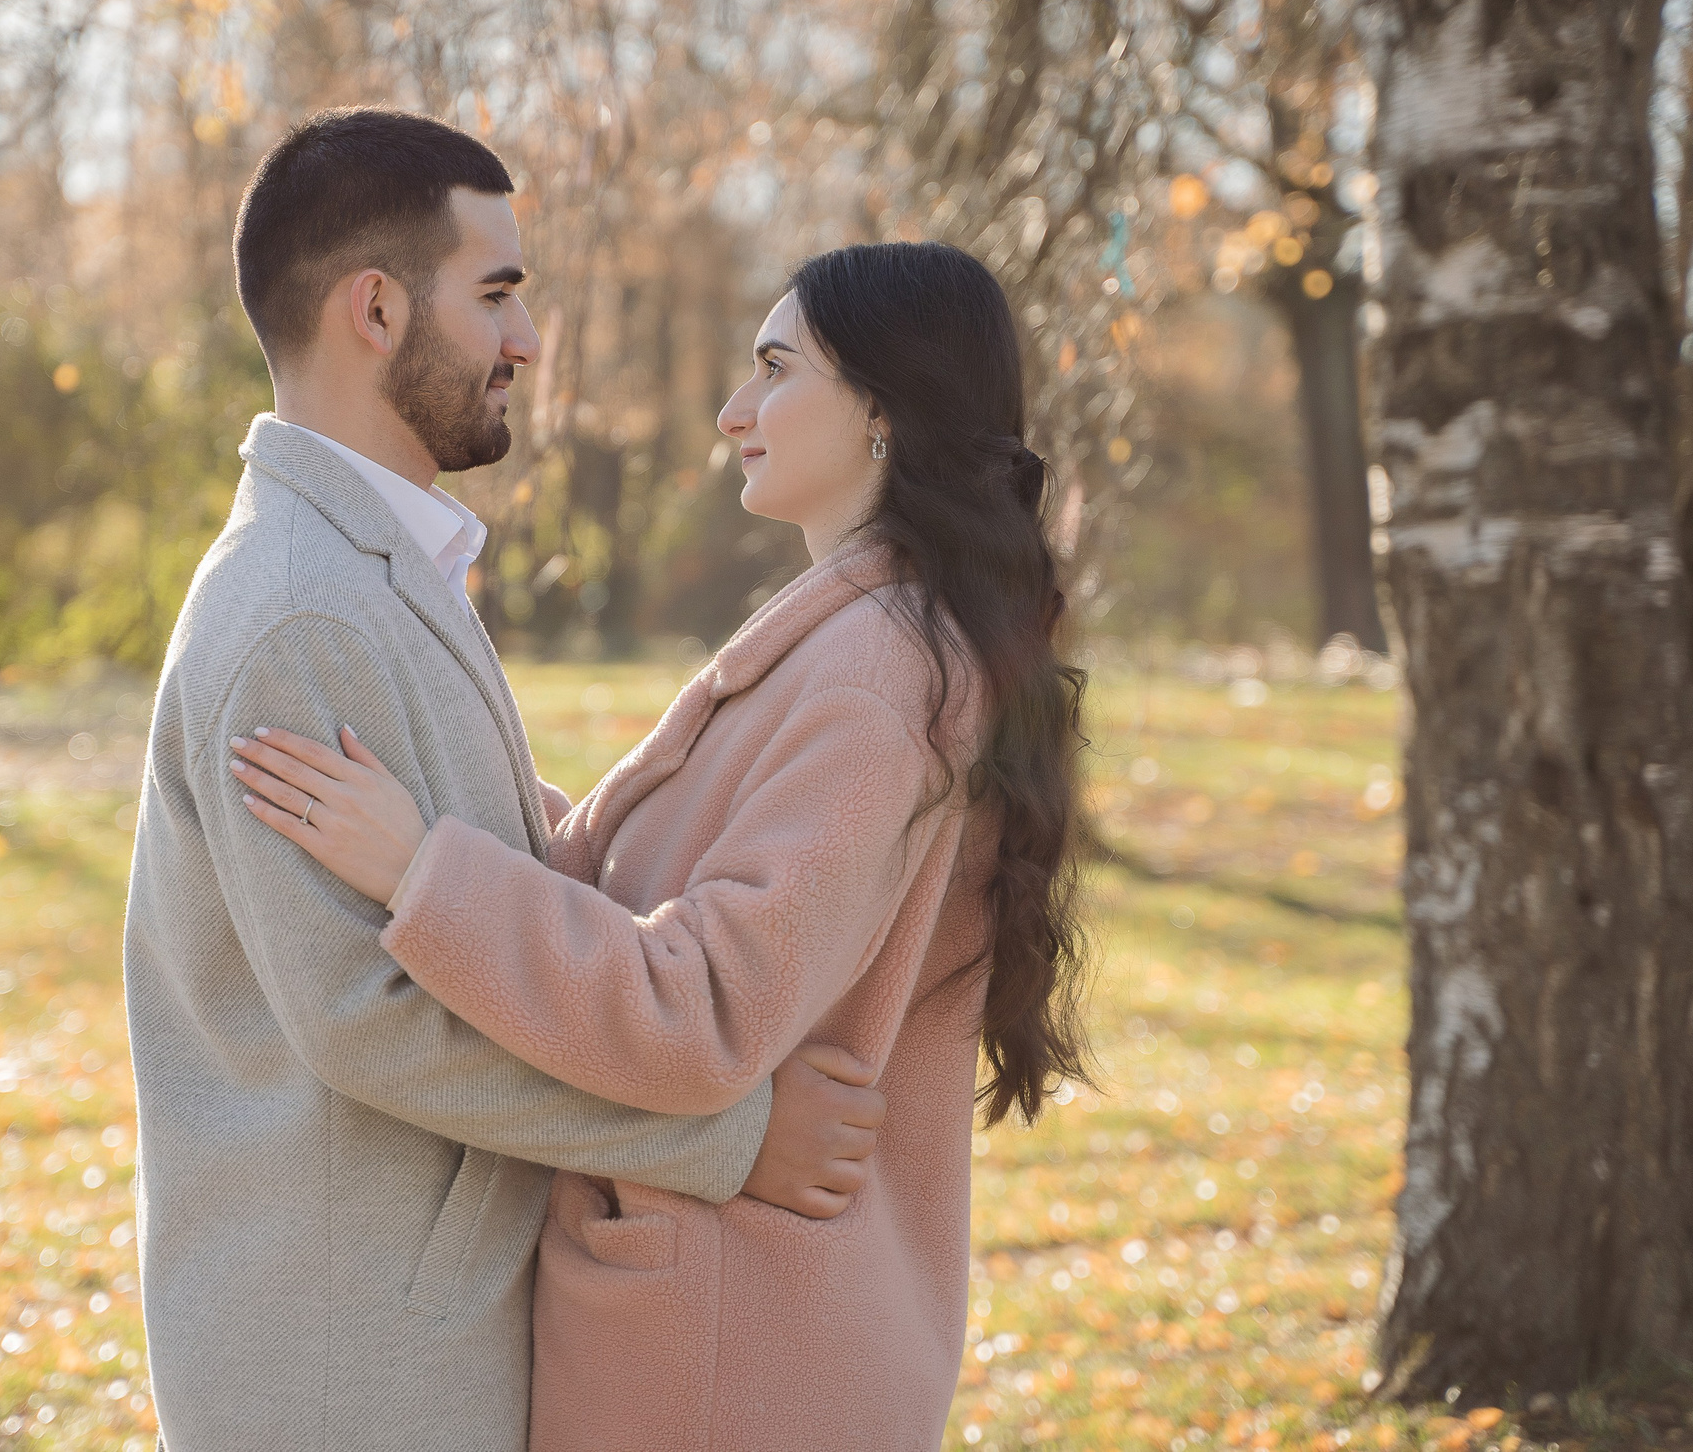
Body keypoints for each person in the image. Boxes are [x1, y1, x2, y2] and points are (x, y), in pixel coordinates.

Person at [230, 238, 1091, 1450]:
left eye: (777, 369)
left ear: (883, 414)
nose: (735, 410)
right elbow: (653, 882)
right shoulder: (868, 638)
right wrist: (430, 768)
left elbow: (700, 1012)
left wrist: (424, 872)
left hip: (728, 1357)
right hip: (754, 1327)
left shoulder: (871, 677)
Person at [121, 108, 892, 1452]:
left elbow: (486, 860)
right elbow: (368, 1018)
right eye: (496, 295)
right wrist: (728, 1138)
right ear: (375, 309)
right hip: (343, 1361)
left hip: (409, 1322)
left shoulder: (371, 570)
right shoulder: (304, 611)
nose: (527, 341)